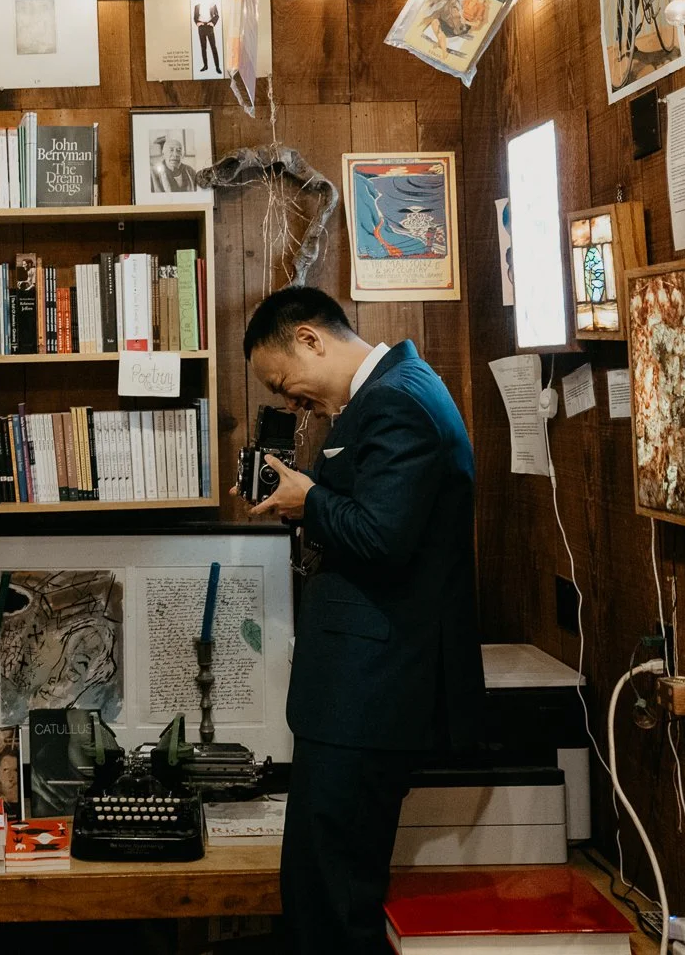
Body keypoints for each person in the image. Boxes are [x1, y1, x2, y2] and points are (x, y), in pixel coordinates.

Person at [240, 287, 482, 955]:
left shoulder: (399, 399)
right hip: (356, 694)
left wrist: (309, 496)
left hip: (370, 694)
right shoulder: (385, 396)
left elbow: (383, 535)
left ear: (312, 338)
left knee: (335, 903)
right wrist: (304, 501)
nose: (292, 402)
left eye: (286, 383)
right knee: (321, 892)